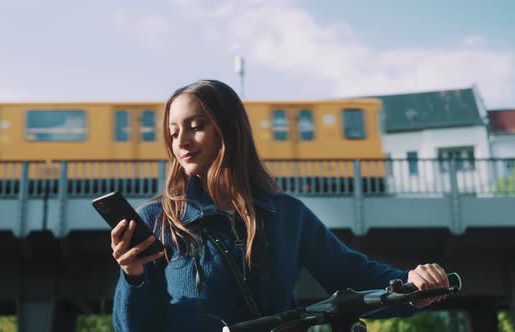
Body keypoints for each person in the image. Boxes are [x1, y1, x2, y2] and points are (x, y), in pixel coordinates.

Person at [110, 79, 449, 332]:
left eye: (196, 127)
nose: (181, 141)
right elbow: (132, 327)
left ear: (229, 130)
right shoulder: (157, 219)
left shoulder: (286, 214)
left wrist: (412, 287)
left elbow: (353, 273)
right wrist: (133, 276)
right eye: (172, 133)